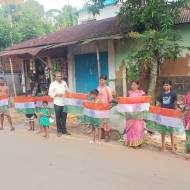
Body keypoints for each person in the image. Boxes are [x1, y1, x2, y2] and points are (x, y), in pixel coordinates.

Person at [158, 79, 178, 153]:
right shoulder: (161, 95)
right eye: (164, 85)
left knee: (171, 131)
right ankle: (163, 146)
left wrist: (177, 111)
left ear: (170, 86)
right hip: (163, 115)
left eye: (167, 85)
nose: (165, 86)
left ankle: (172, 147)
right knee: (163, 131)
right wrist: (156, 111)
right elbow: (159, 106)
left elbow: (175, 105)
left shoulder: (173, 94)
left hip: (171, 115)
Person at [125, 80, 146, 148]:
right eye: (132, 85)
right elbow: (126, 102)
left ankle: (137, 143)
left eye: (134, 84)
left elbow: (144, 102)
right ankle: (130, 142)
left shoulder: (141, 93)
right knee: (131, 127)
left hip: (138, 112)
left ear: (138, 85)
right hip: (130, 112)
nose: (133, 86)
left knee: (138, 127)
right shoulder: (129, 93)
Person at [49, 71, 71, 137]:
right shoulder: (52, 84)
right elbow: (50, 93)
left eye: (60, 76)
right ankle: (59, 131)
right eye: (57, 76)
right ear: (55, 77)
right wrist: (57, 94)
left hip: (64, 103)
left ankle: (64, 130)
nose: (59, 77)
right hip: (57, 103)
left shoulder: (64, 83)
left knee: (64, 117)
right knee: (58, 118)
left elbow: (67, 91)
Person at [97, 75, 113, 142]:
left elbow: (110, 98)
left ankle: (108, 136)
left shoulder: (107, 88)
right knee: (100, 121)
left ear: (105, 81)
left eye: (102, 80)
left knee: (105, 122)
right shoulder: (98, 88)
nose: (101, 81)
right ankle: (102, 135)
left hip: (105, 107)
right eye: (100, 80)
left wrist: (107, 105)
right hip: (99, 107)